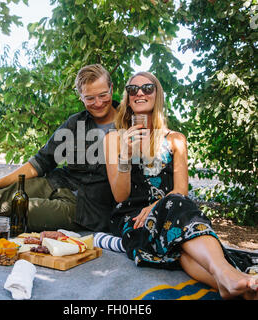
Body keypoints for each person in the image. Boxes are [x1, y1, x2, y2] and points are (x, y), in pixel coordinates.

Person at [103, 71, 258, 300]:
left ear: (157, 95)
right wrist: (125, 154)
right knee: (180, 233)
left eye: (147, 88)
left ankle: (230, 283)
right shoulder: (114, 139)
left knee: (180, 242)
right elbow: (120, 196)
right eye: (132, 89)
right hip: (134, 220)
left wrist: (157, 205)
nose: (139, 93)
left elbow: (181, 190)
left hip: (173, 214)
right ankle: (230, 275)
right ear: (127, 97)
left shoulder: (176, 139)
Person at [0, 64, 118, 232]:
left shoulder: (129, 124)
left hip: (85, 209)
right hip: (57, 183)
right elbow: (39, 163)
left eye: (103, 95)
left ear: (111, 89)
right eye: (90, 98)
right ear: (81, 97)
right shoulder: (75, 123)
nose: (98, 103)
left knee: (20, 209)